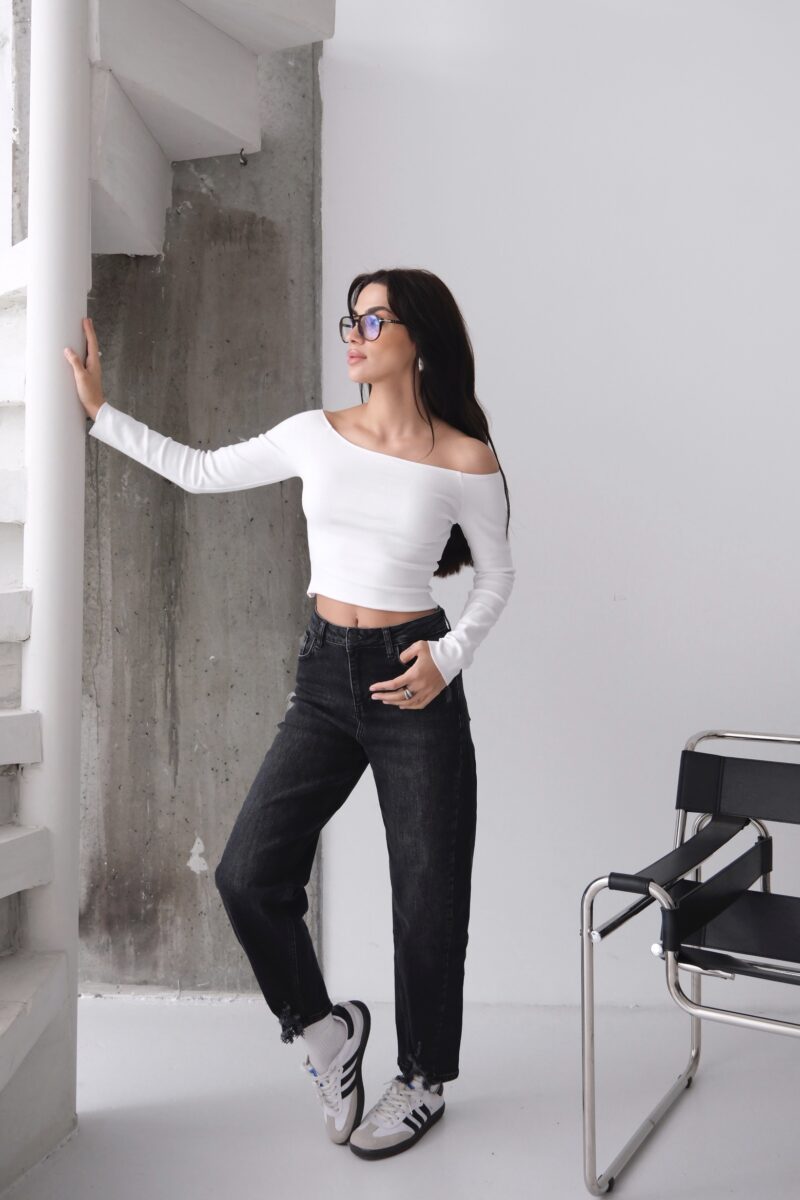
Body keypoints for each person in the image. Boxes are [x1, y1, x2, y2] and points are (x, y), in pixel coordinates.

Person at [64, 267, 515, 1160]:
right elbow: (199, 472)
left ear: (418, 338)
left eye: (373, 320)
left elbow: (497, 577)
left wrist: (448, 656)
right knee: (247, 873)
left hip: (413, 678)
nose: (354, 333)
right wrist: (101, 412)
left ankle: (423, 1080)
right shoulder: (315, 432)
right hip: (324, 677)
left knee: (428, 897)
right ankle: (325, 1033)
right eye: (351, 318)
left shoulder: (465, 459)